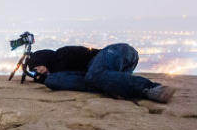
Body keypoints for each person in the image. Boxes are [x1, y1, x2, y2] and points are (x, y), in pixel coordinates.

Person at [27, 42, 176, 103]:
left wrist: (49, 77)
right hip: (115, 68)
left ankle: (151, 88)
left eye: (37, 66)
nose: (38, 71)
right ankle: (117, 87)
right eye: (34, 71)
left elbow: (79, 77)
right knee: (93, 78)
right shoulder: (57, 71)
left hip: (118, 51)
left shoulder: (62, 55)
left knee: (93, 76)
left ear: (43, 59)